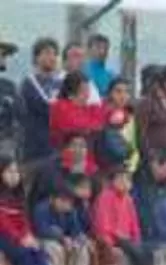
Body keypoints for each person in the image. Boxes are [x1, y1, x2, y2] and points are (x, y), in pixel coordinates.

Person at [0, 157, 62, 265]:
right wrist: (20, 238)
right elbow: (4, 223)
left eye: (16, 172)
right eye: (9, 172)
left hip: (18, 237)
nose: (14, 176)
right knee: (24, 254)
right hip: (5, 236)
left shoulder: (16, 196)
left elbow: (23, 220)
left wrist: (28, 236)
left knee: (39, 252)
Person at [92, 166, 155, 265]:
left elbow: (134, 223)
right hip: (114, 237)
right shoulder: (105, 196)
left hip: (127, 238)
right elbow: (102, 223)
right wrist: (110, 241)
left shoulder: (128, 199)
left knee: (147, 251)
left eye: (127, 179)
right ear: (112, 181)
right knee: (138, 253)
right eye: (120, 179)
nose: (124, 182)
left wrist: (137, 239)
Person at [32, 179, 92, 265]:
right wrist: (62, 238)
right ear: (53, 199)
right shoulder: (41, 209)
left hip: (65, 240)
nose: (66, 205)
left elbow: (76, 230)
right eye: (63, 201)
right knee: (53, 247)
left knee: (81, 247)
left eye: (69, 202)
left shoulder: (70, 211)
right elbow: (42, 230)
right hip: (44, 240)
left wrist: (79, 239)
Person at [20, 38, 62, 176]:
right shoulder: (28, 84)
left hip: (57, 150)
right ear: (36, 57)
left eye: (55, 54)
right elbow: (47, 109)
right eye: (47, 53)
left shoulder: (62, 84)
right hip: (34, 151)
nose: (52, 57)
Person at [48, 72, 106, 162]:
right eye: (83, 91)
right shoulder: (59, 106)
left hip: (87, 159)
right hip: (63, 159)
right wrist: (89, 128)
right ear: (71, 93)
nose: (87, 95)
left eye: (88, 90)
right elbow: (75, 125)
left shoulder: (87, 108)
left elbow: (99, 124)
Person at [103, 77, 139, 173]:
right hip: (108, 166)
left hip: (128, 165)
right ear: (109, 94)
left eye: (126, 92)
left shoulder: (131, 114)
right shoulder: (102, 113)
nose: (123, 96)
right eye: (118, 91)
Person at [0, 36, 20, 159]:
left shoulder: (9, 87)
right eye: (2, 54)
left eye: (4, 55)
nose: (4, 59)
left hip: (5, 148)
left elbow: (20, 117)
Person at [82, 34, 115, 98]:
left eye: (106, 48)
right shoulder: (83, 71)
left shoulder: (111, 74)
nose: (102, 52)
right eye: (98, 48)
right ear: (89, 50)